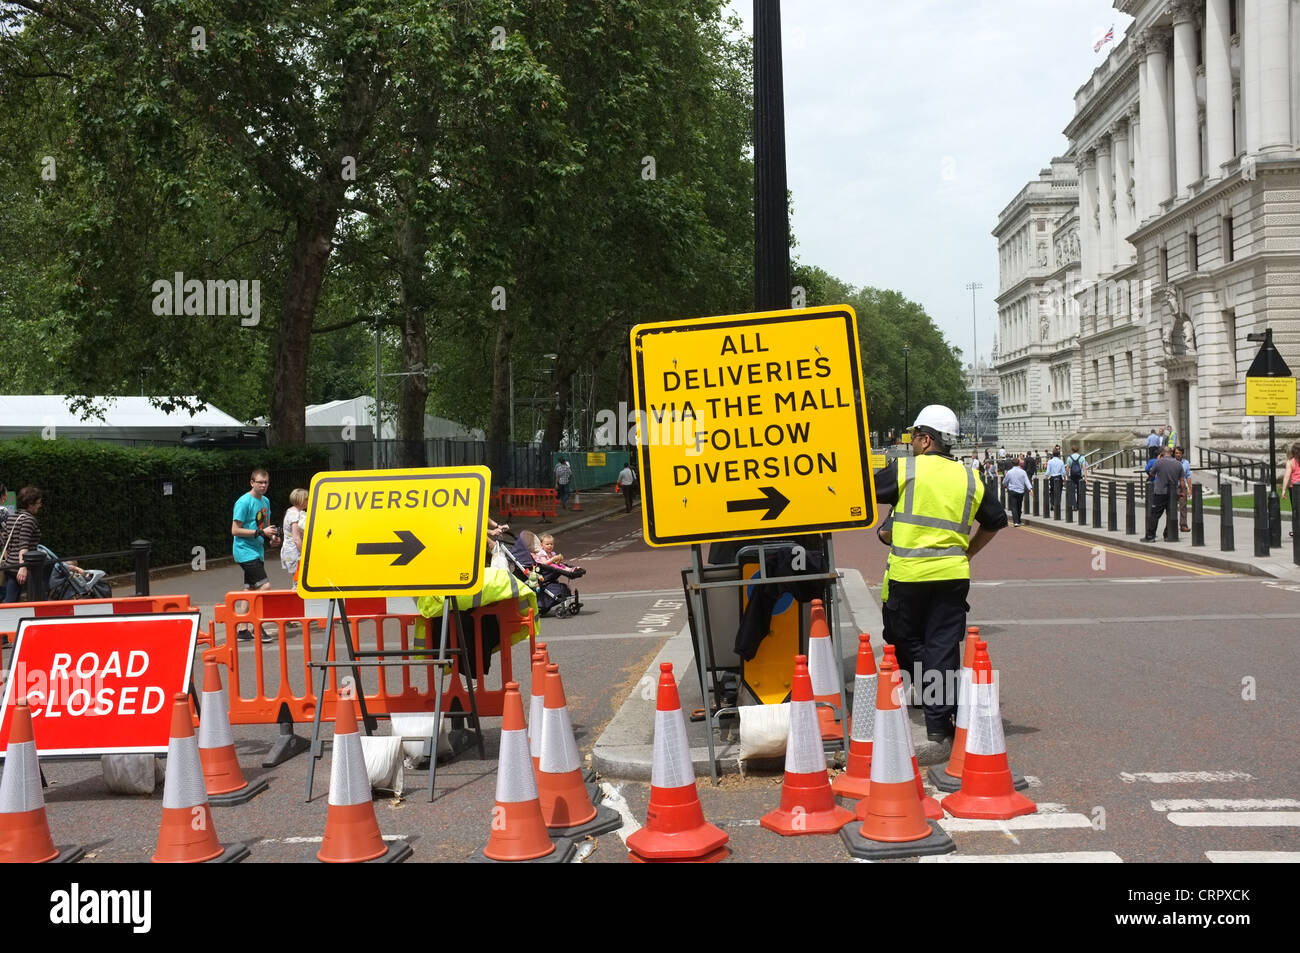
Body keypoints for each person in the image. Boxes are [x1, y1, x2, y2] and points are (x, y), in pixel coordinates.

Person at [873, 404, 1007, 743]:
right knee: (942, 647)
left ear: (927, 439)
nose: (912, 442)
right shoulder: (969, 476)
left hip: (908, 574)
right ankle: (938, 724)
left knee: (905, 640)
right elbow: (996, 520)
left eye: (915, 436)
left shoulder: (905, 469)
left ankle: (936, 704)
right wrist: (969, 551)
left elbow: (863, 492)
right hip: (952, 576)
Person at [231, 468, 280, 642]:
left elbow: (265, 527)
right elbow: (235, 530)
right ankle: (258, 627)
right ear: (252, 483)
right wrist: (261, 533)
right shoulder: (243, 502)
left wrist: (272, 538)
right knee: (264, 588)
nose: (263, 485)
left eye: (266, 482)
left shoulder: (265, 501)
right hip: (244, 551)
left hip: (257, 551)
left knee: (250, 589)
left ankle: (242, 630)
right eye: (259, 482)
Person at [1, 486, 43, 603]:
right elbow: (23, 546)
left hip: (10, 567)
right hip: (24, 568)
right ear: (30, 503)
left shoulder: (11, 517)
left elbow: (5, 544)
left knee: (11, 600)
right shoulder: (29, 520)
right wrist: (22, 567)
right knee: (34, 600)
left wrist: (9, 561)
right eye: (38, 503)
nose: (40, 505)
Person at [1142, 448, 1184, 541]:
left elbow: (1151, 475)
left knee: (1154, 515)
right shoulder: (1178, 464)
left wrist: (1158, 459)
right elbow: (1181, 481)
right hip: (1173, 493)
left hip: (1160, 492)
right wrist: (1182, 492)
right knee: (1171, 514)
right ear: (1172, 453)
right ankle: (1168, 534)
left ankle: (1150, 536)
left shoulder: (1159, 462)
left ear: (1162, 454)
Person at [280, 487, 308, 579]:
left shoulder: (291, 511)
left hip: (292, 551)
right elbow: (296, 538)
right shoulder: (295, 515)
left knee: (298, 579)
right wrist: (305, 553)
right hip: (295, 553)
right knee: (298, 580)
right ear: (301, 500)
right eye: (306, 499)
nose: (308, 501)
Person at [1002, 456, 1032, 527]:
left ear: (1012, 464)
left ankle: (1016, 522)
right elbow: (1027, 481)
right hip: (1020, 491)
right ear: (1019, 463)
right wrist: (1030, 489)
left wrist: (1005, 485)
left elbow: (1004, 482)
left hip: (1012, 491)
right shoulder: (1023, 472)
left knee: (1014, 507)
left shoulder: (1009, 472)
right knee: (1019, 506)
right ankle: (1018, 520)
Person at [1174, 447, 1192, 532]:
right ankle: (1171, 525)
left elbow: (1188, 476)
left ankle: (1183, 525)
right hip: (1173, 487)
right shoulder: (1171, 462)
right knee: (1171, 506)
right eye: (1176, 453)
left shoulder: (1186, 463)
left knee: (1183, 507)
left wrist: (1190, 489)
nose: (1177, 454)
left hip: (1182, 487)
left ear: (1182, 454)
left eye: (1179, 453)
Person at [1065, 445, 1087, 510]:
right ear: (1078, 450)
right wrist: (1086, 478)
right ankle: (1078, 505)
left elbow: (1067, 468)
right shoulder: (1082, 457)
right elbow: (1084, 468)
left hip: (1072, 476)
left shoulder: (1069, 458)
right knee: (1079, 491)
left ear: (1072, 450)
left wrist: (1067, 476)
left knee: (1072, 491)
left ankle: (1074, 505)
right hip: (1079, 476)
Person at [1045, 449, 1065, 517]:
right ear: (1059, 454)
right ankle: (1057, 504)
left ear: (1053, 454)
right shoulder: (1061, 461)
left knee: (1052, 491)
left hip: (1052, 477)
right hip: (1059, 477)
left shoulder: (1050, 461)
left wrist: (1046, 477)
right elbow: (1063, 472)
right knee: (1059, 491)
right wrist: (1065, 479)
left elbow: (1048, 471)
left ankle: (1052, 504)